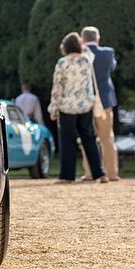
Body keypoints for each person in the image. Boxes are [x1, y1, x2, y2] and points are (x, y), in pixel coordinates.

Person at [48, 32, 107, 183]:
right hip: (86, 105)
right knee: (89, 139)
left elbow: (57, 87)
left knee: (68, 141)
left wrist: (53, 108)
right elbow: (87, 49)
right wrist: (81, 41)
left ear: (65, 47)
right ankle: (99, 173)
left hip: (67, 106)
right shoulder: (87, 59)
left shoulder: (62, 62)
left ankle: (67, 175)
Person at [80, 26, 120, 181]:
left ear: (83, 39)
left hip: (86, 101)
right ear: (97, 38)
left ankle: (90, 172)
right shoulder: (108, 52)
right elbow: (112, 67)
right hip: (105, 100)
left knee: (87, 137)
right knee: (107, 138)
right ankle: (112, 173)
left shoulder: (81, 54)